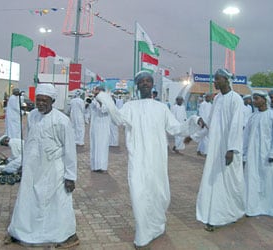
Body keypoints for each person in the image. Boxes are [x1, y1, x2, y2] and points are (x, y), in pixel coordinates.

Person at [94, 71, 205, 248]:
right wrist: (105, 99)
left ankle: (157, 226)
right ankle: (142, 234)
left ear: (152, 85)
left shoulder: (161, 108)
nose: (145, 83)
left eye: (148, 81)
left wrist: (193, 120)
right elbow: (117, 119)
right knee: (138, 193)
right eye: (142, 81)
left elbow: (176, 129)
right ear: (137, 85)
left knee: (159, 193)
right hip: (137, 158)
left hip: (157, 160)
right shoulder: (130, 107)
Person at [5, 84, 79, 248]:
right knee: (27, 200)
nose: (40, 104)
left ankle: (68, 235)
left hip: (54, 168)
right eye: (38, 100)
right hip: (33, 167)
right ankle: (21, 231)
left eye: (44, 100)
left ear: (52, 100)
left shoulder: (62, 121)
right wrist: (24, 164)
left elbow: (70, 151)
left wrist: (70, 177)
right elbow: (30, 141)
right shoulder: (32, 116)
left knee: (59, 202)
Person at [195, 68, 245, 232]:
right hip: (215, 149)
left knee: (229, 181)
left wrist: (231, 149)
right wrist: (197, 133)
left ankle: (231, 212)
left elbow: (236, 125)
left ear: (226, 80)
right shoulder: (217, 99)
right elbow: (210, 123)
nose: (214, 82)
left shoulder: (236, 99)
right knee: (215, 182)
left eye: (217, 79)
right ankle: (215, 215)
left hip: (228, 150)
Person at [243, 90, 273, 217]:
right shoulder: (252, 117)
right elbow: (246, 137)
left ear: (264, 100)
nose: (254, 101)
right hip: (252, 155)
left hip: (268, 156)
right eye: (253, 99)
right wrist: (244, 155)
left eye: (256, 99)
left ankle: (271, 208)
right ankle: (253, 208)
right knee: (252, 180)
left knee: (270, 180)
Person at [90, 86, 111, 173]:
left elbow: (104, 110)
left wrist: (100, 101)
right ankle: (95, 166)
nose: (96, 94)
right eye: (96, 93)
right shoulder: (94, 100)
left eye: (98, 93)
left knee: (102, 146)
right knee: (94, 145)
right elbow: (92, 109)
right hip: (95, 126)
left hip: (103, 127)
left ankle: (102, 167)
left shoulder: (108, 100)